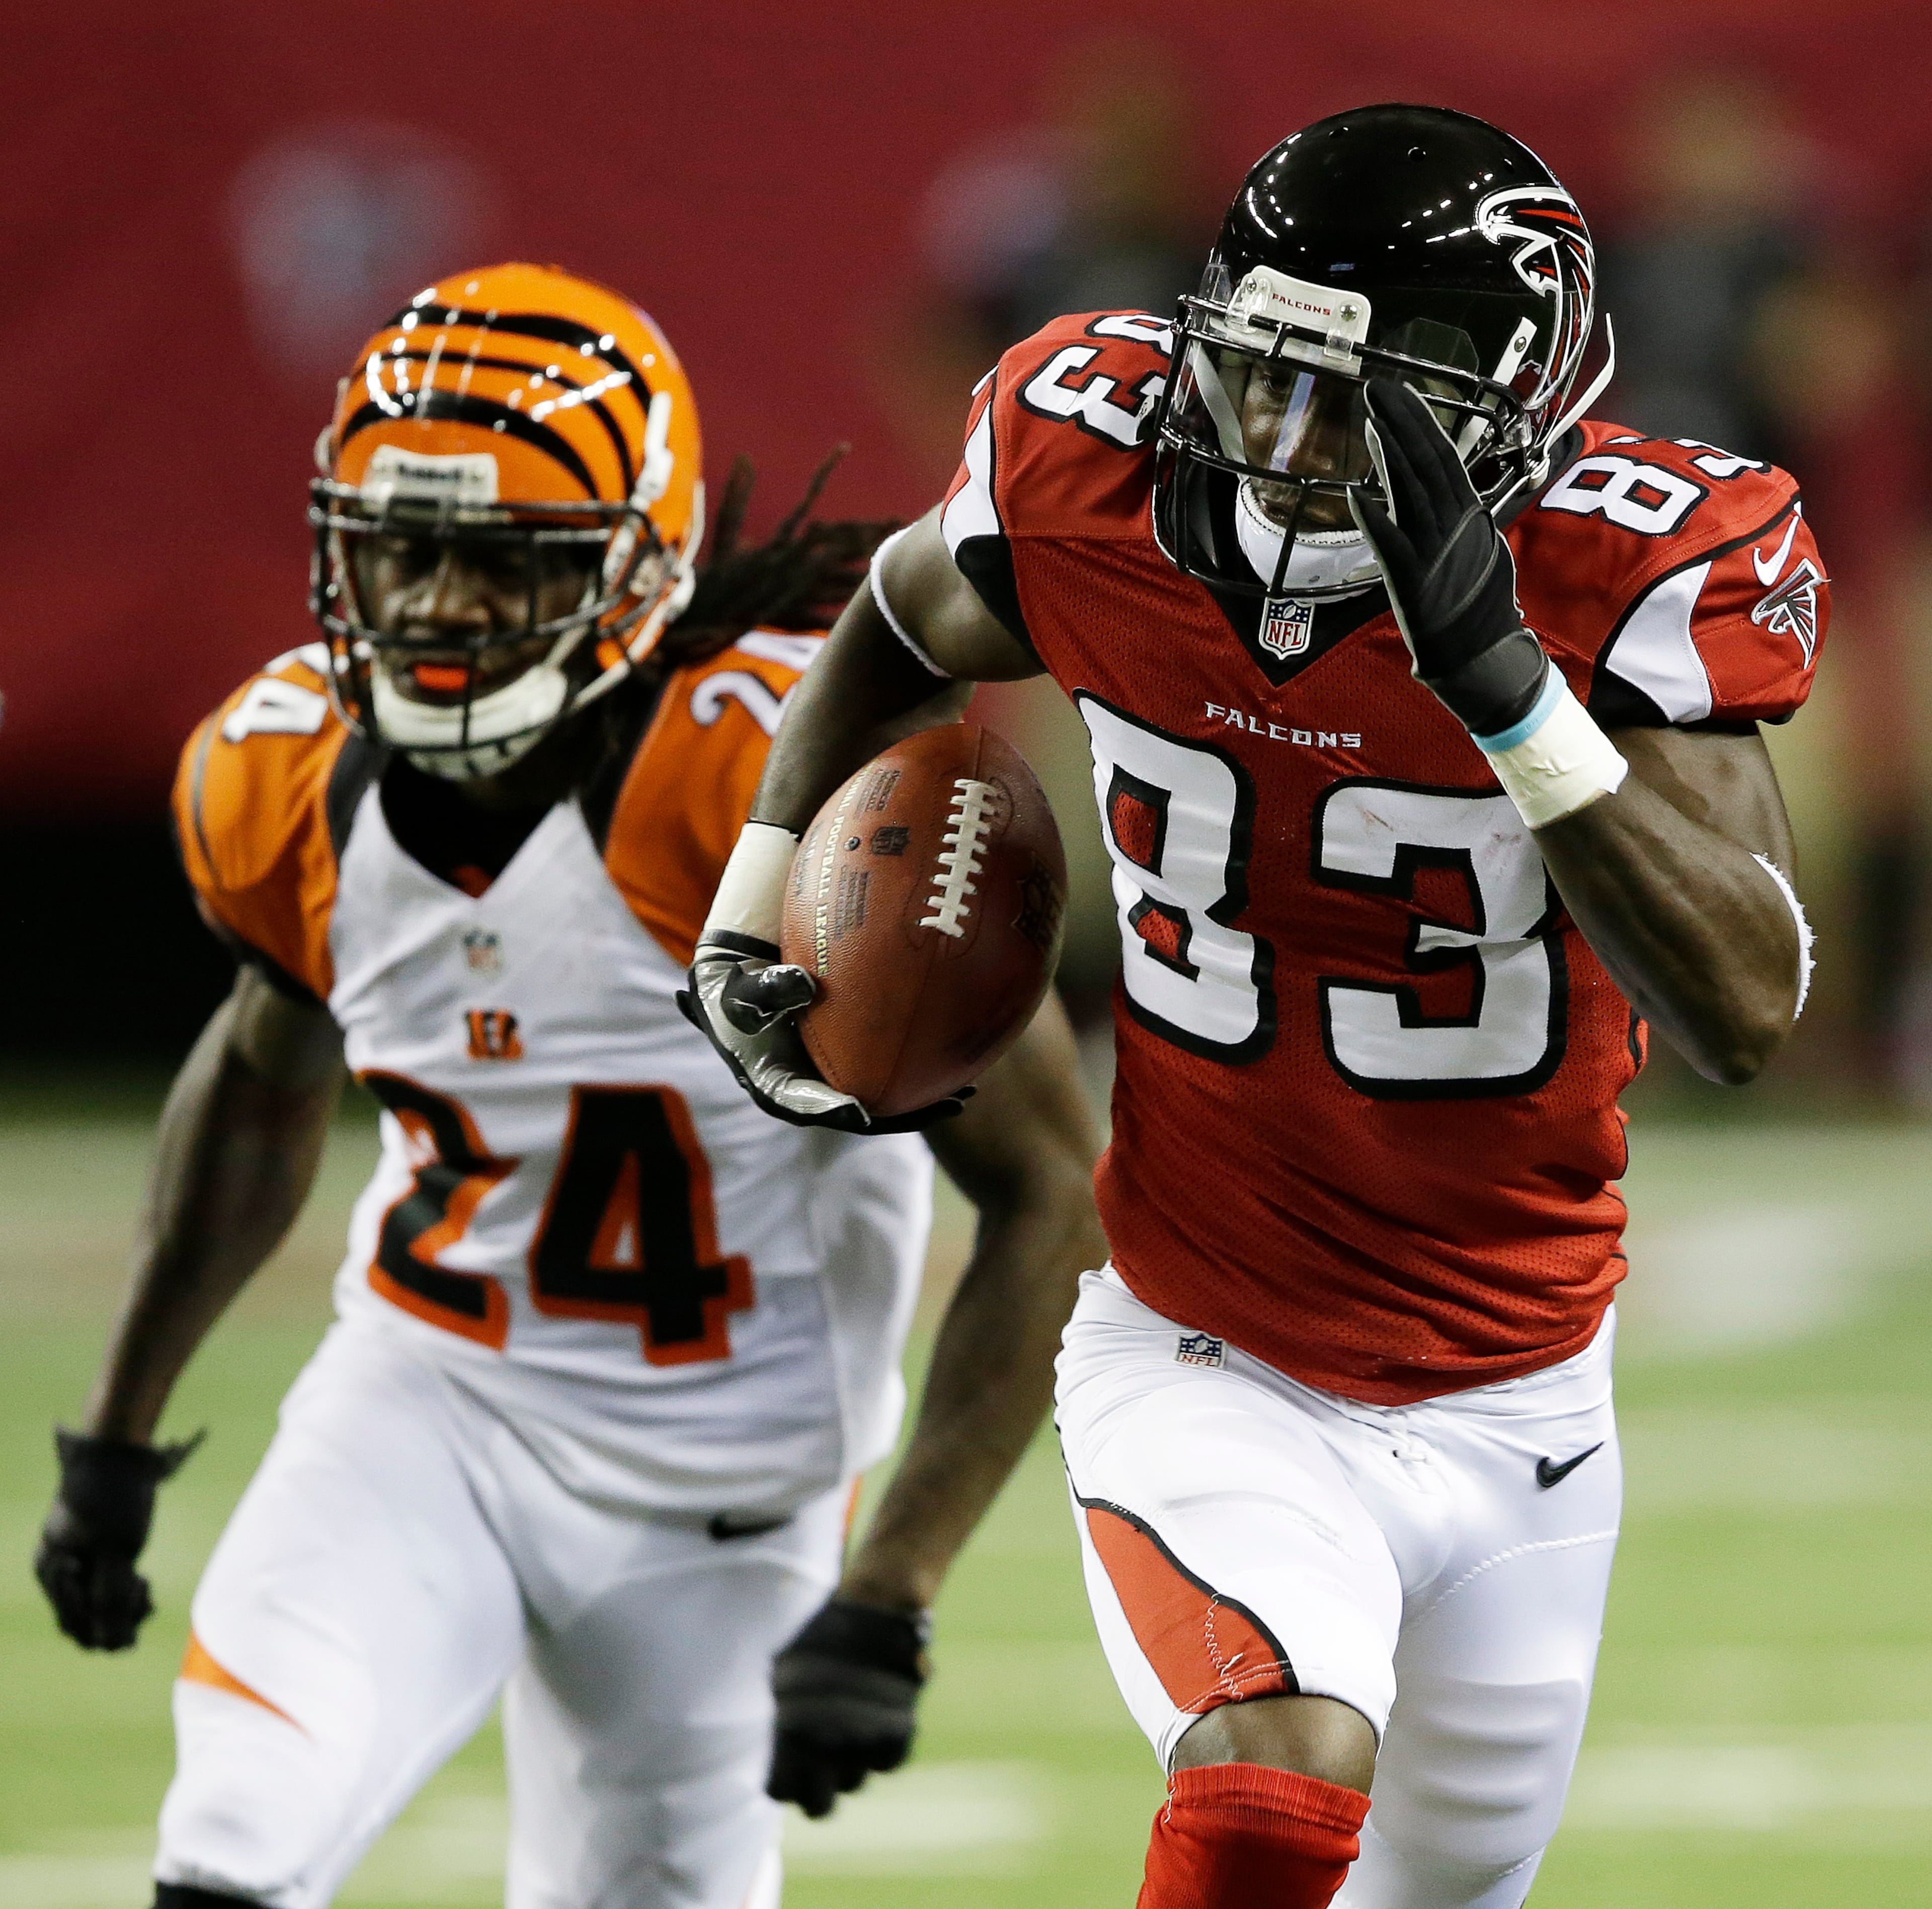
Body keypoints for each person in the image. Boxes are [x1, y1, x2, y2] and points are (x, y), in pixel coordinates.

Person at [682, 106, 1824, 1909]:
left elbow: (1746, 1001)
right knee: (1265, 1800)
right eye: (1258, 377)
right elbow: (900, 619)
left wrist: (1506, 685)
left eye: (1354, 403)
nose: (1288, 448)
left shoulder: (1628, 570)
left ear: (1508, 415)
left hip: (1525, 1394)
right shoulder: (1093, 460)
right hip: (1206, 1344)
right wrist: (755, 902)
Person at [35, 262, 1103, 1909]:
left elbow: (1050, 1192)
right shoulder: (283, 767)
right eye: (402, 551)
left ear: (634, 569)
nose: (439, 607)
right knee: (230, 1847)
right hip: (431, 1405)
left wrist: (896, 1577)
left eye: (495, 560)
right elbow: (260, 1085)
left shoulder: (773, 778)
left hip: (724, 1505)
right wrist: (115, 1425)